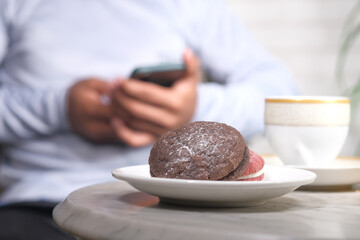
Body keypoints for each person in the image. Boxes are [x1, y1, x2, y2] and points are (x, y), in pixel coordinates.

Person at [0, 0, 298, 239]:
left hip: (175, 203)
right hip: (40, 205)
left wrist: (194, 108)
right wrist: (60, 109)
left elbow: (280, 92)